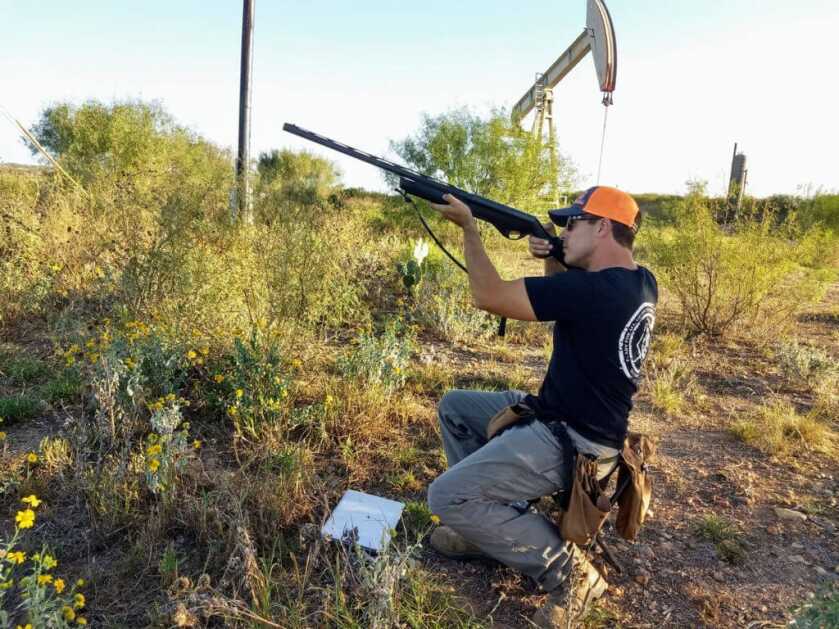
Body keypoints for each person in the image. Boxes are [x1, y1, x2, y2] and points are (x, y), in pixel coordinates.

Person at [425, 186, 657, 628]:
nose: (564, 230)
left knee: (446, 495)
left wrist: (469, 228)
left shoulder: (595, 291)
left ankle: (573, 577)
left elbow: (489, 296)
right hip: (557, 415)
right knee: (456, 408)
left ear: (603, 227)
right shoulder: (640, 281)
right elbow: (563, 298)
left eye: (574, 223)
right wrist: (556, 252)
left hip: (574, 442)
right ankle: (491, 531)